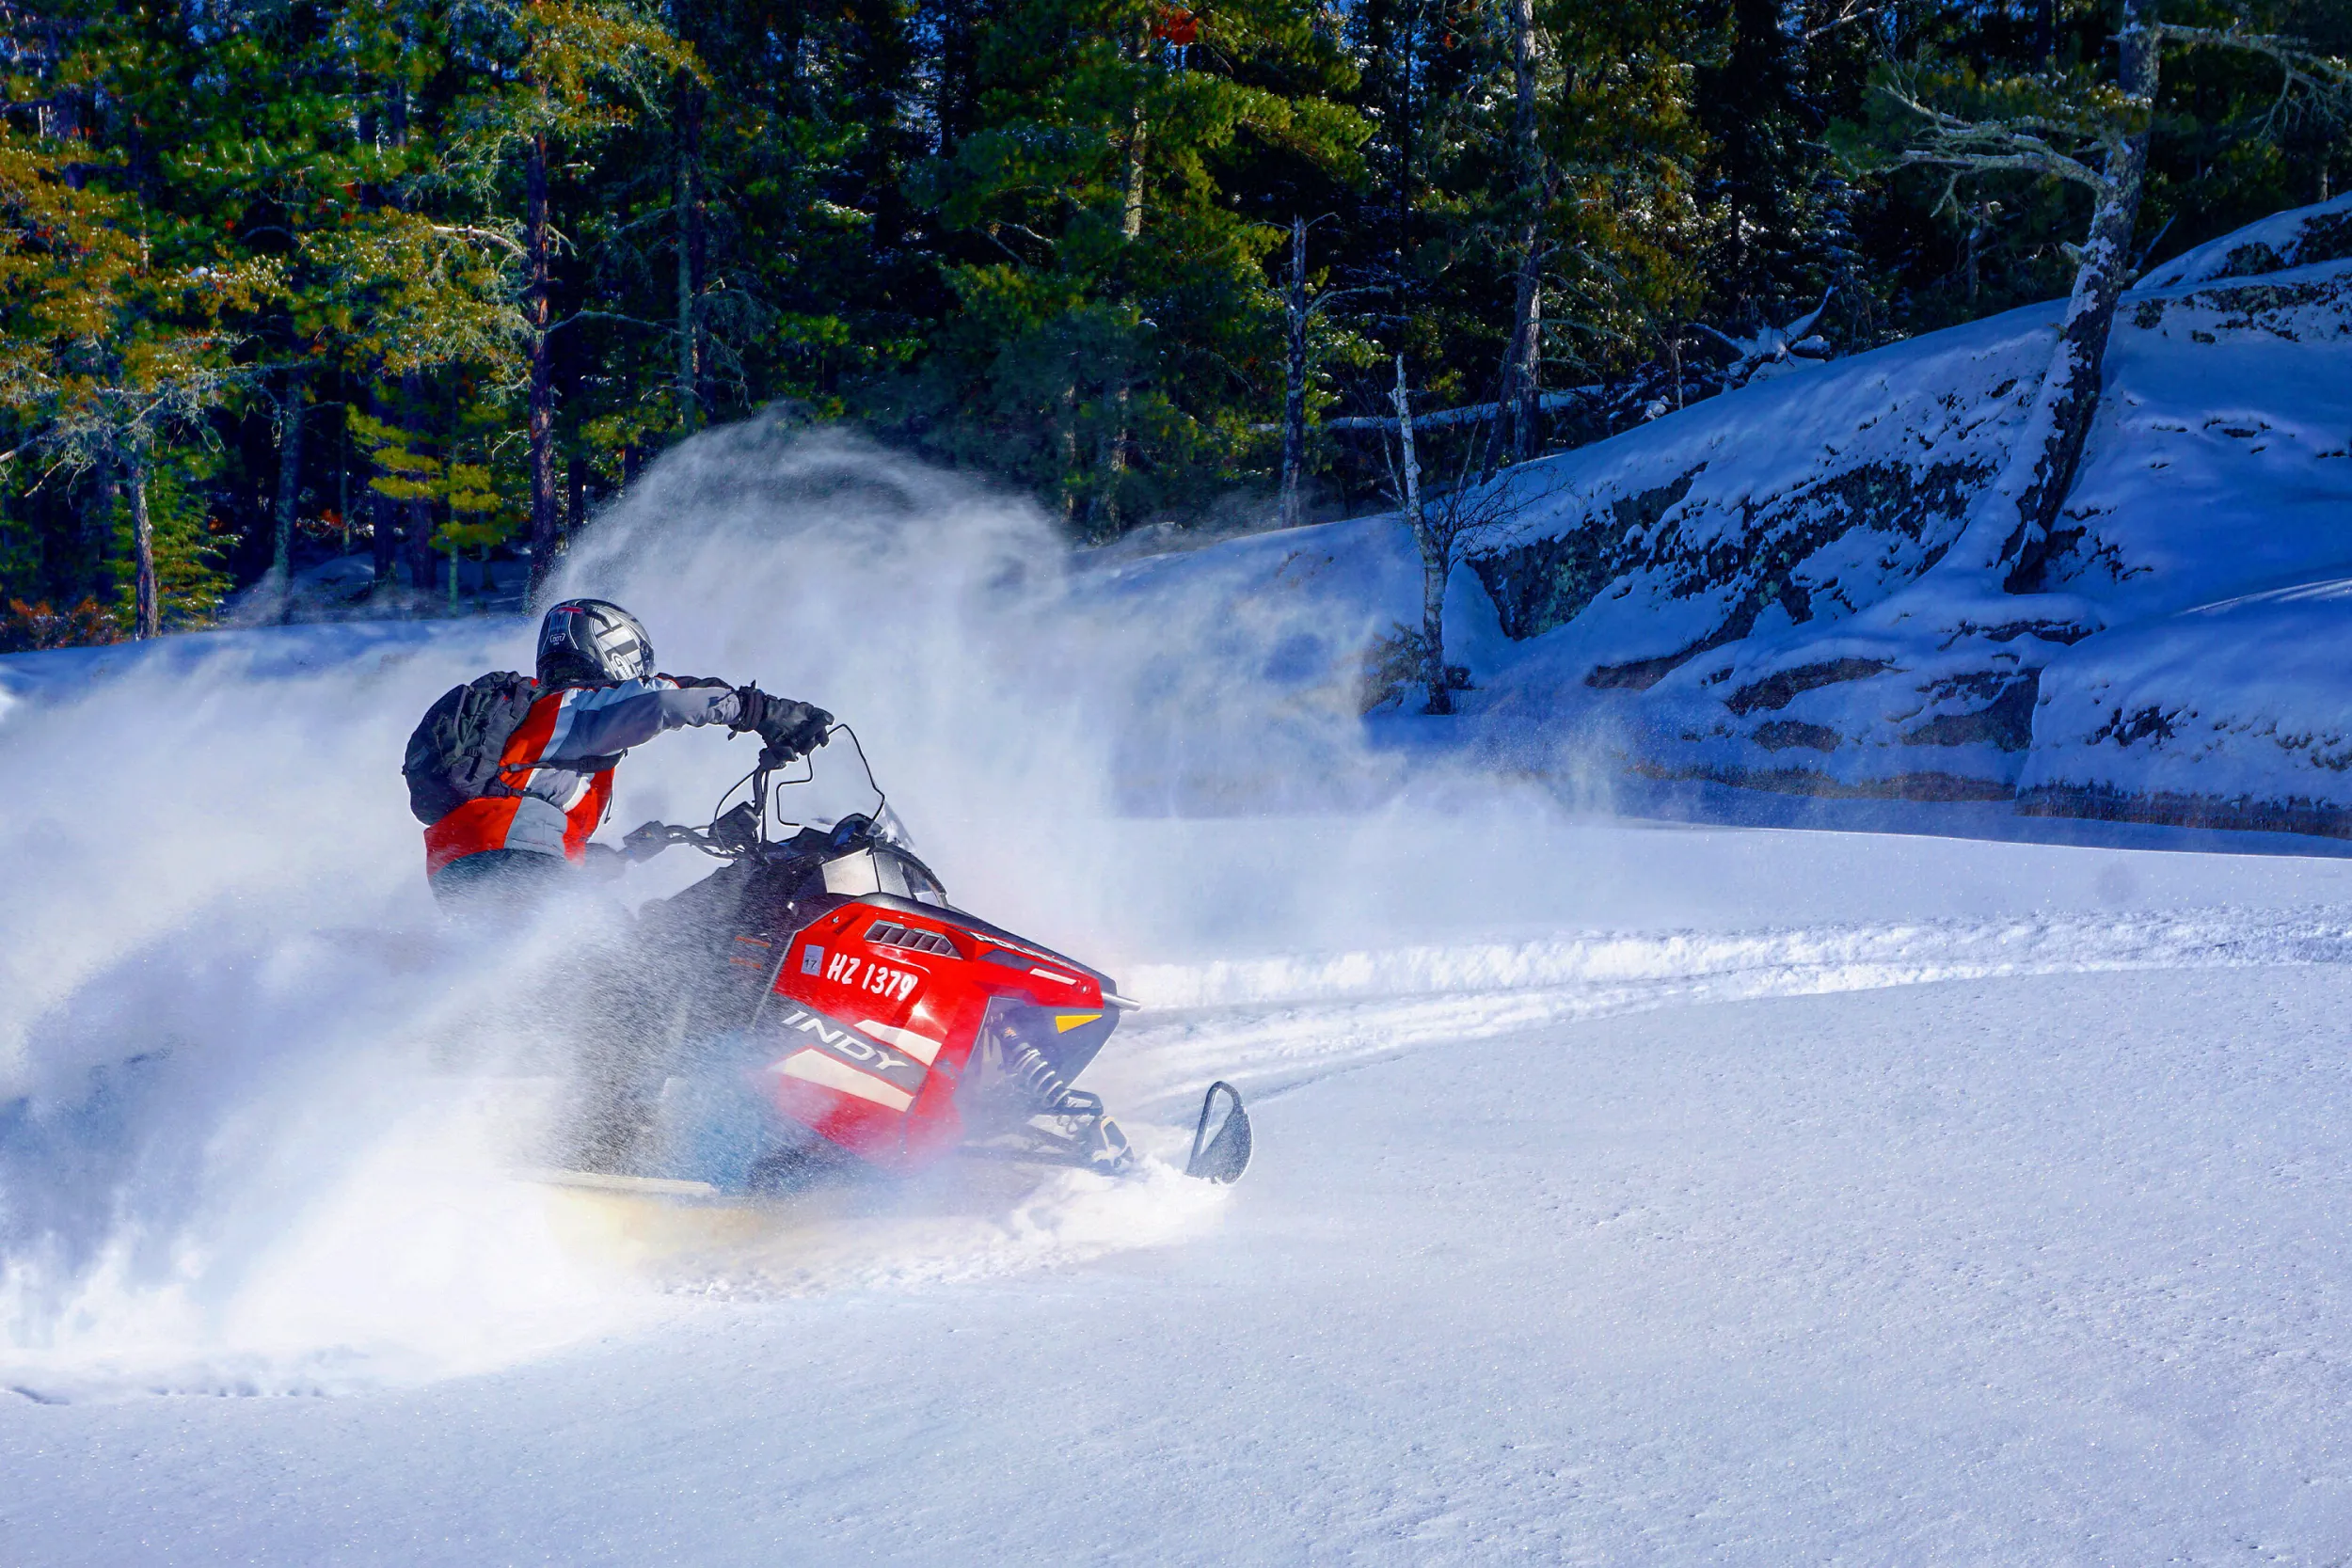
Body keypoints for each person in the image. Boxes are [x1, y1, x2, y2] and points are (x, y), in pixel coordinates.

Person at [419, 597, 831, 909]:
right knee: (630, 955)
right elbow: (667, 702)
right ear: (614, 651)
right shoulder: (573, 707)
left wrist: (614, 858)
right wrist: (761, 711)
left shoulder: (537, 724)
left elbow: (526, 812)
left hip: (458, 869)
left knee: (582, 952)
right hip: (513, 857)